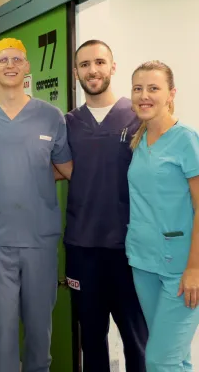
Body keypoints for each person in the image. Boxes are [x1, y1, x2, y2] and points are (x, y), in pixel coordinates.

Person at [0, 37, 73, 372]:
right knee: (0, 332)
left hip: (40, 239)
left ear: (27, 67)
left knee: (39, 330)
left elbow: (66, 168)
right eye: (3, 60)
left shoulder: (51, 117)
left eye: (17, 59)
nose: (10, 65)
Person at [63, 40, 148, 371]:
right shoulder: (68, 123)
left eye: (99, 62)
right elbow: (55, 166)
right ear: (76, 73)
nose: (92, 70)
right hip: (82, 248)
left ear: (113, 67)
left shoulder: (137, 117)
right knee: (92, 339)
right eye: (84, 65)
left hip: (129, 249)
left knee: (136, 339)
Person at [126, 60, 199, 372]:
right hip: (145, 264)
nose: (144, 95)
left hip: (182, 269)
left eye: (153, 88)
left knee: (159, 361)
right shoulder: (139, 140)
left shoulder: (188, 139)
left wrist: (193, 269)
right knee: (176, 357)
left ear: (171, 94)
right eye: (138, 88)